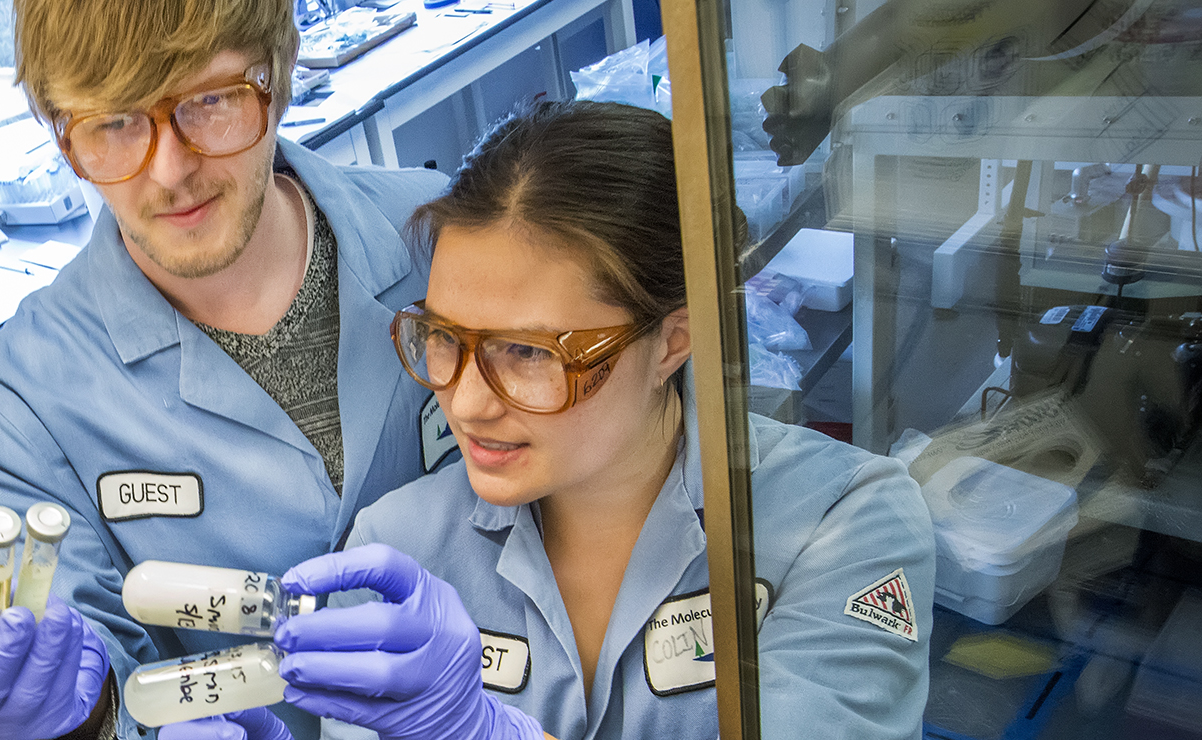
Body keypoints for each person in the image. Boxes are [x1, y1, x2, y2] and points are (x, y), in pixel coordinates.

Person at [171, 101, 936, 740]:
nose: (466, 401)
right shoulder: (397, 552)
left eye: (528, 353)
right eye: (443, 338)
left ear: (674, 338)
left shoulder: (843, 523)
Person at [0, 0, 454, 737]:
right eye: (113, 123)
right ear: (64, 139)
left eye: (210, 101)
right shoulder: (23, 394)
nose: (171, 171)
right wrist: (80, 716)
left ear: (279, 74)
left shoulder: (438, 234)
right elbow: (73, 643)